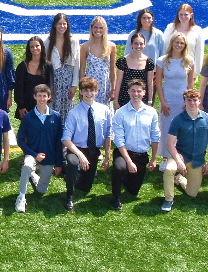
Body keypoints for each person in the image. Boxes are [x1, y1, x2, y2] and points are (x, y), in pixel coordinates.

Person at [62, 77, 113, 209]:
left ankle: (70, 173)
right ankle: (69, 196)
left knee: (85, 187)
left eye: (92, 90)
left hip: (93, 150)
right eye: (85, 90)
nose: (89, 94)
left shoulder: (105, 110)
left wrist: (107, 156)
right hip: (76, 149)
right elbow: (66, 139)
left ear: (97, 91)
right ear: (81, 92)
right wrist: (81, 156)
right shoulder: (74, 113)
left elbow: (108, 134)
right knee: (73, 163)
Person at [162, 88, 208, 210]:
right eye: (189, 100)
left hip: (197, 160)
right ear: (184, 102)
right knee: (169, 169)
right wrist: (179, 161)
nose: (192, 103)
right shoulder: (178, 120)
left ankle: (179, 179)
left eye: (194, 100)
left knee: (192, 193)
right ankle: (168, 199)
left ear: (199, 101)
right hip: (181, 155)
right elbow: (169, 144)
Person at [110, 79, 159, 211]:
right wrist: (129, 161)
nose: (136, 94)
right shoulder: (120, 113)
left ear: (144, 93)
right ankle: (116, 197)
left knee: (133, 190)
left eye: (139, 91)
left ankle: (126, 176)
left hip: (141, 155)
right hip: (124, 152)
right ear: (128, 92)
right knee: (118, 168)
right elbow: (119, 140)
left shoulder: (151, 112)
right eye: (133, 91)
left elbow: (155, 136)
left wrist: (154, 159)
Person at [16, 83, 63, 213]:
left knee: (41, 190)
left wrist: (59, 163)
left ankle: (33, 174)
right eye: (39, 96)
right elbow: (20, 140)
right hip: (32, 154)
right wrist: (34, 154)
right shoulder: (28, 117)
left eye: (44, 96)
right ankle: (21, 197)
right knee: (27, 165)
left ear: (49, 97)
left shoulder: (56, 117)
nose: (42, 99)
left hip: (49, 158)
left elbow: (59, 141)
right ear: (34, 97)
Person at [155, 32, 195, 161]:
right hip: (167, 100)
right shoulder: (162, 61)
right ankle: (165, 157)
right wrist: (163, 102)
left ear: (185, 45)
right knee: (166, 128)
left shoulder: (189, 61)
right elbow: (158, 83)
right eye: (177, 42)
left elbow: (190, 83)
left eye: (182, 43)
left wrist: (188, 101)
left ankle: (180, 156)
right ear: (172, 43)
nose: (179, 45)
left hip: (182, 101)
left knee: (182, 128)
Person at [14, 36, 53, 120]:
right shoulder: (22, 66)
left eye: (37, 46)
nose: (35, 48)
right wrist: (21, 106)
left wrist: (46, 104)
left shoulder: (48, 66)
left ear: (41, 47)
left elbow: (50, 86)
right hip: (26, 107)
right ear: (29, 49)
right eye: (32, 46)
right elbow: (18, 89)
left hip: (42, 105)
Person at [114, 32, 156, 109]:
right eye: (136, 43)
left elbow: (150, 83)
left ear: (144, 45)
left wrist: (150, 101)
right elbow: (119, 82)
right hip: (124, 98)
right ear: (131, 44)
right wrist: (116, 101)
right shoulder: (123, 61)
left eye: (141, 44)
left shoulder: (149, 62)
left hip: (142, 99)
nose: (138, 46)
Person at [164, 4, 206, 71]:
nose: (183, 17)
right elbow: (164, 47)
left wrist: (195, 72)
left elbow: (199, 54)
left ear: (191, 15)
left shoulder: (198, 31)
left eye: (186, 14)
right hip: (170, 68)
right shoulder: (170, 28)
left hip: (188, 68)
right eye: (181, 14)